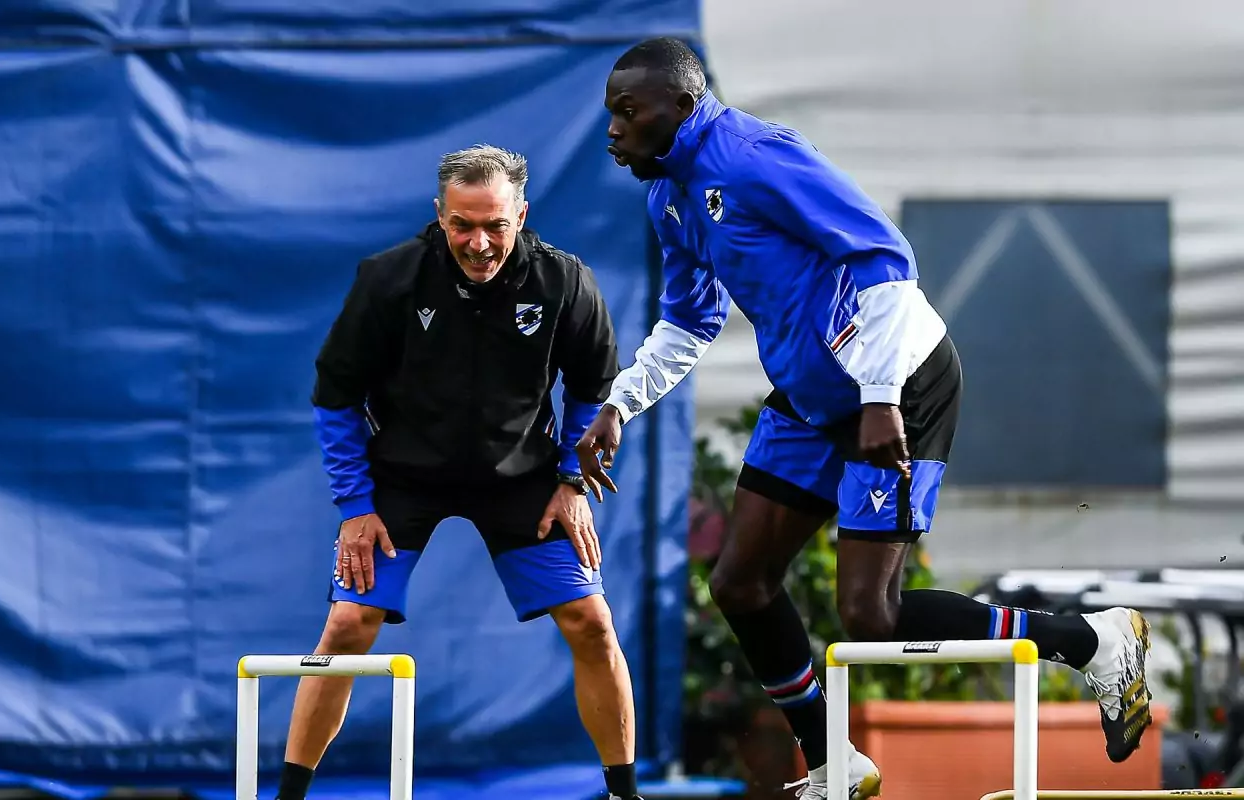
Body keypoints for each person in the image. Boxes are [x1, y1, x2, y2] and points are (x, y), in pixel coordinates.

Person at [575, 38, 1154, 799]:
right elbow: (689, 323)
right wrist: (619, 404)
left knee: (870, 616)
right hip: (813, 398)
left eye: (628, 111)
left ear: (682, 108)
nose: (613, 130)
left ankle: (1093, 639)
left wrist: (880, 398)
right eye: (610, 113)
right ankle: (833, 763)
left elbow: (883, 256)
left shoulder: (753, 156)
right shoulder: (669, 196)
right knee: (741, 583)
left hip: (898, 383)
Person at [276, 145, 645, 800]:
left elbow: (594, 389)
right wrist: (355, 506)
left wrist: (571, 481)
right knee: (347, 625)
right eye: (462, 225)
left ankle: (624, 793)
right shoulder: (389, 279)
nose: (479, 243)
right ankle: (288, 797)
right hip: (403, 476)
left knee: (591, 621)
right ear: (439, 215)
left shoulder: (564, 281)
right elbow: (336, 397)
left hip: (522, 476)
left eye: (495, 225)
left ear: (521, 215)